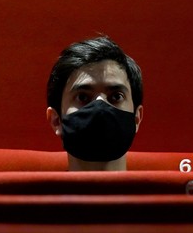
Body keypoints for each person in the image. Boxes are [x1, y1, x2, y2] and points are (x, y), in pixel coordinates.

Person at [46, 36, 144, 171]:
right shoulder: (28, 192)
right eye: (82, 97)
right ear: (56, 120)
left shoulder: (175, 191)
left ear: (136, 118)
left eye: (116, 96)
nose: (100, 106)